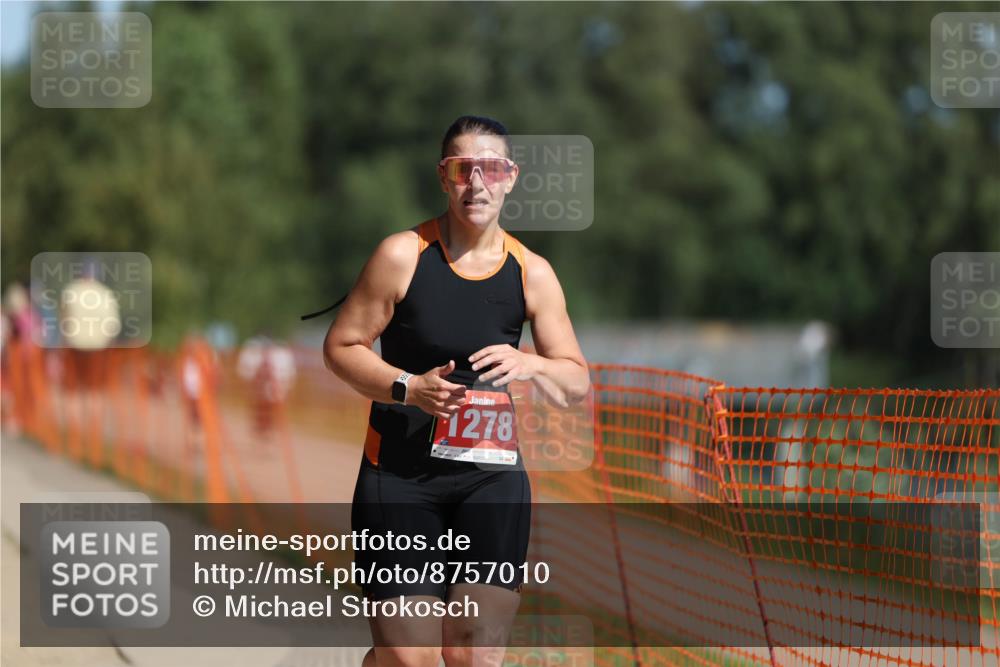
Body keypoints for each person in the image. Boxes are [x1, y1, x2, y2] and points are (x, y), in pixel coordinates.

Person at [323, 115, 590, 667]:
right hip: (398, 480)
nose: (478, 182)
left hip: (489, 484)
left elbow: (576, 381)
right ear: (444, 177)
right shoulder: (402, 255)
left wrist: (530, 363)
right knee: (410, 658)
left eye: (491, 168)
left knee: (474, 655)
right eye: (463, 168)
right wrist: (406, 387)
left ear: (510, 177)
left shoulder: (531, 272)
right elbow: (341, 347)